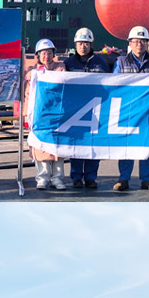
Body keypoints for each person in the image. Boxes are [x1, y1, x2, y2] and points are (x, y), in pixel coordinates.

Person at [112, 26, 149, 193]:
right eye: (135, 41)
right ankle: (124, 179)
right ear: (130, 43)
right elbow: (113, 84)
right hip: (128, 111)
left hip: (148, 112)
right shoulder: (121, 62)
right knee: (126, 145)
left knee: (147, 145)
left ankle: (147, 179)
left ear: (147, 43)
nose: (139, 44)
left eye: (142, 41)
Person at [60, 28, 114, 190]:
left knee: (93, 145)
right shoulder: (68, 63)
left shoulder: (101, 63)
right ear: (75, 44)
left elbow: (110, 85)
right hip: (75, 112)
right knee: (76, 145)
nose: (82, 46)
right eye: (79, 43)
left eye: (85, 43)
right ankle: (76, 177)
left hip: (96, 110)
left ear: (91, 44)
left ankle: (91, 177)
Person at [25, 40, 68, 191]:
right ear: (38, 55)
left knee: (57, 148)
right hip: (39, 115)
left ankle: (57, 178)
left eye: (49, 53)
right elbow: (27, 94)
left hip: (57, 115)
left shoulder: (60, 69)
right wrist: (26, 115)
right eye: (43, 53)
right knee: (40, 146)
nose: (46, 56)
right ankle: (42, 178)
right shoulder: (32, 73)